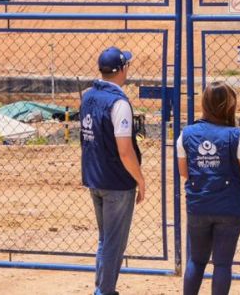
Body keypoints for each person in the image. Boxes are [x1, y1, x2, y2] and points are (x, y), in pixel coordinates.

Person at [80, 47, 146, 295]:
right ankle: (104, 291)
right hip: (116, 182)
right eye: (127, 64)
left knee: (105, 239)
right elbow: (125, 150)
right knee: (114, 243)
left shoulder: (88, 96)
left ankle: (102, 287)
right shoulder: (119, 103)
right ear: (121, 70)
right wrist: (140, 179)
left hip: (94, 177)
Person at [178, 82, 240, 295]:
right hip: (230, 207)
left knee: (196, 259)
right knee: (222, 264)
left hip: (199, 205)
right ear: (228, 106)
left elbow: (184, 172)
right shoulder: (235, 135)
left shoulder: (186, 134)